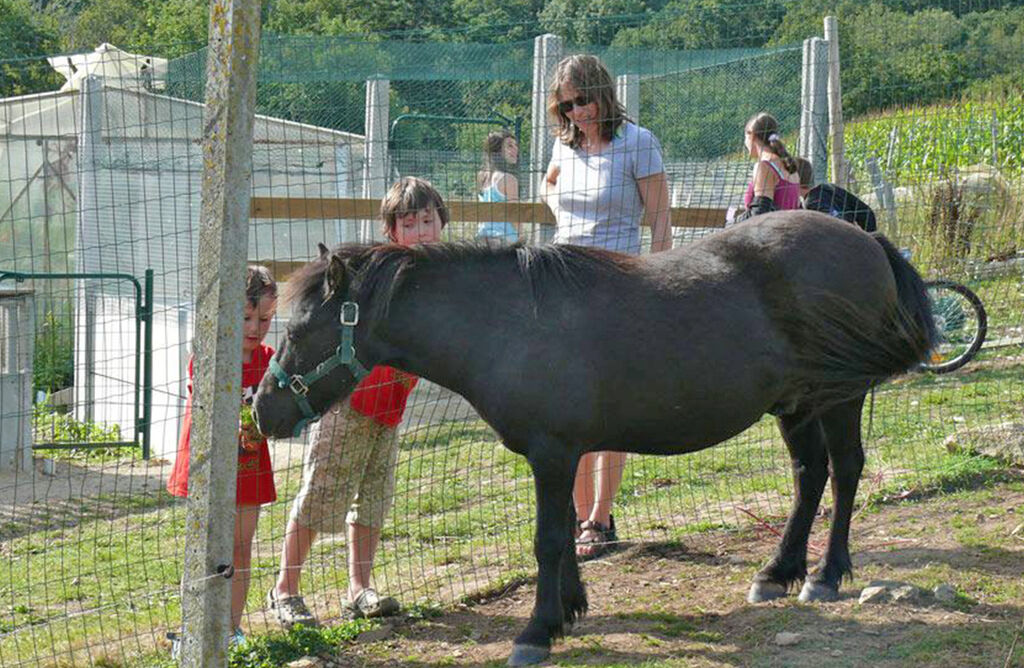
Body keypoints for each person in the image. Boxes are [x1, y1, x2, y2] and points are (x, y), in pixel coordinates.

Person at [267, 176, 448, 628]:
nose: (422, 232)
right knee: (319, 497)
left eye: (428, 221)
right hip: (349, 405)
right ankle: (284, 590)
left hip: (391, 409)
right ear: (392, 231)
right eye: (410, 224)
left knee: (372, 501)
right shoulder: (380, 274)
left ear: (443, 223)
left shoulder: (438, 278)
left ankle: (359, 588)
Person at [542, 54, 671, 560]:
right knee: (564, 407)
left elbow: (660, 221)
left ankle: (600, 518)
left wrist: (660, 285)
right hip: (563, 285)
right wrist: (556, 209)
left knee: (608, 409)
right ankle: (576, 518)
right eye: (567, 104)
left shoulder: (637, 143)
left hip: (618, 285)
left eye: (584, 100)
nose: (577, 112)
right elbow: (550, 185)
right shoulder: (563, 144)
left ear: (604, 93)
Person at [167, 265, 279, 646]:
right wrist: (231, 428)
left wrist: (265, 426)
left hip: (249, 465)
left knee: (240, 547)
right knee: (204, 549)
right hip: (208, 467)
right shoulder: (209, 354)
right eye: (246, 317)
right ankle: (195, 631)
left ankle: (231, 629)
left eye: (264, 318)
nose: (255, 327)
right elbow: (203, 405)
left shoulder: (270, 359)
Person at [731, 112, 801, 223]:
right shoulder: (790, 167)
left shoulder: (764, 167)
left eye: (745, 137)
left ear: (751, 135)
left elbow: (760, 213)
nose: (745, 143)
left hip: (771, 236)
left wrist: (732, 223)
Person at [794, 157, 878, 232]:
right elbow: (867, 212)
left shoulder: (812, 203)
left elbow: (839, 224)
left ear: (795, 178)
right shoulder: (829, 188)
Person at [476, 129, 520, 243]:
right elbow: (514, 216)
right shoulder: (509, 179)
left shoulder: (482, 177)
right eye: (510, 146)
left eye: (516, 145)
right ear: (497, 151)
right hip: (505, 240)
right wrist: (522, 239)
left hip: (483, 237)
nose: (515, 149)